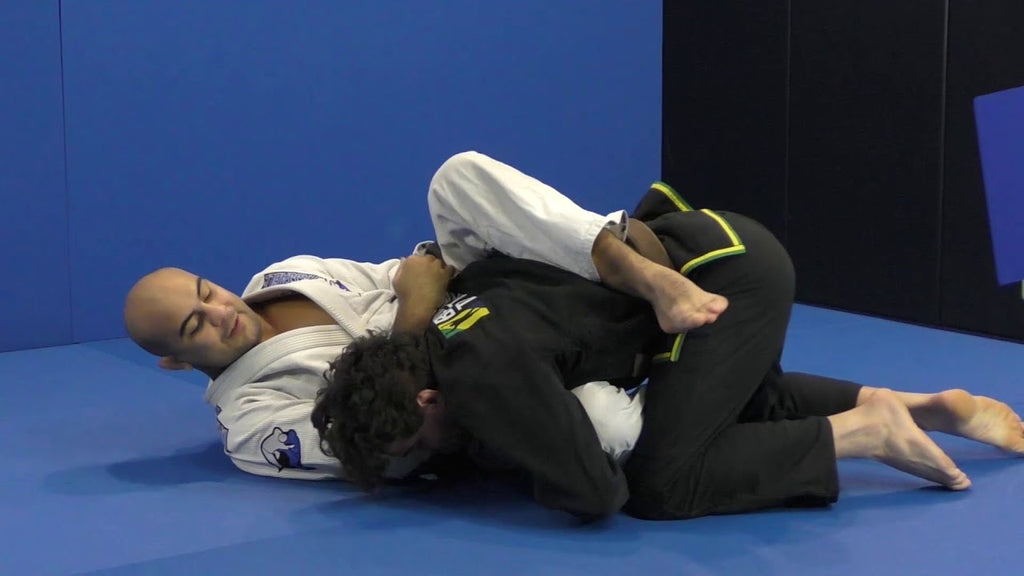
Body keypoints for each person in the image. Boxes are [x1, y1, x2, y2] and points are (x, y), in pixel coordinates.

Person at [313, 186, 1024, 520]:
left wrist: (517, 460)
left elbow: (595, 491)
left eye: (417, 443)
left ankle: (862, 433)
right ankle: (920, 408)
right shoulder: (448, 326)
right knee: (714, 410)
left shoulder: (479, 376)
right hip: (713, 251)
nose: (427, 458)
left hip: (719, 286)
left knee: (660, 481)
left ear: (427, 399)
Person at [123, 151, 726, 480]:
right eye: (194, 325)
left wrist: (421, 291)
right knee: (609, 432)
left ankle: (639, 271)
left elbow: (412, 269)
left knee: (456, 179)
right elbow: (384, 444)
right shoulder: (252, 425)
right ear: (176, 362)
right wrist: (415, 315)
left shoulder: (282, 275)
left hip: (477, 300)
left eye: (206, 292)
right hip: (476, 386)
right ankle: (683, 375)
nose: (219, 311)